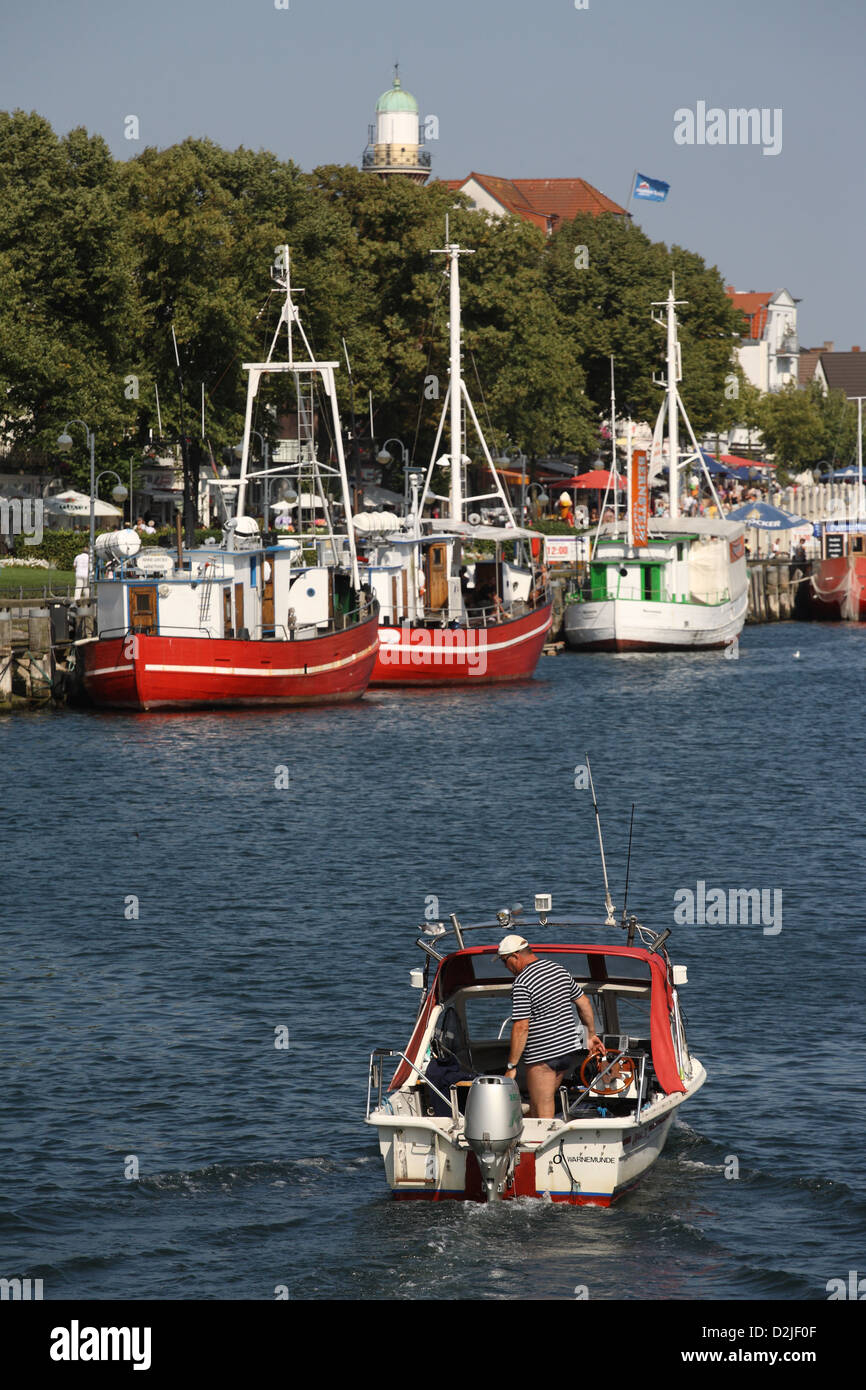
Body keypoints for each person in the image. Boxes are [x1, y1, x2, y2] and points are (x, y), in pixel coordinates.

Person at [499, 935, 604, 1119]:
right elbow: (584, 1003)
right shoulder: (558, 969)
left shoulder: (522, 982)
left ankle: (546, 1146)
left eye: (504, 961)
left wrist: (512, 1065)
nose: (505, 967)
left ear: (515, 956)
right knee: (537, 1101)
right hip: (566, 1054)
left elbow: (521, 1026)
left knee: (543, 1109)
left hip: (542, 1058)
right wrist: (591, 1035)